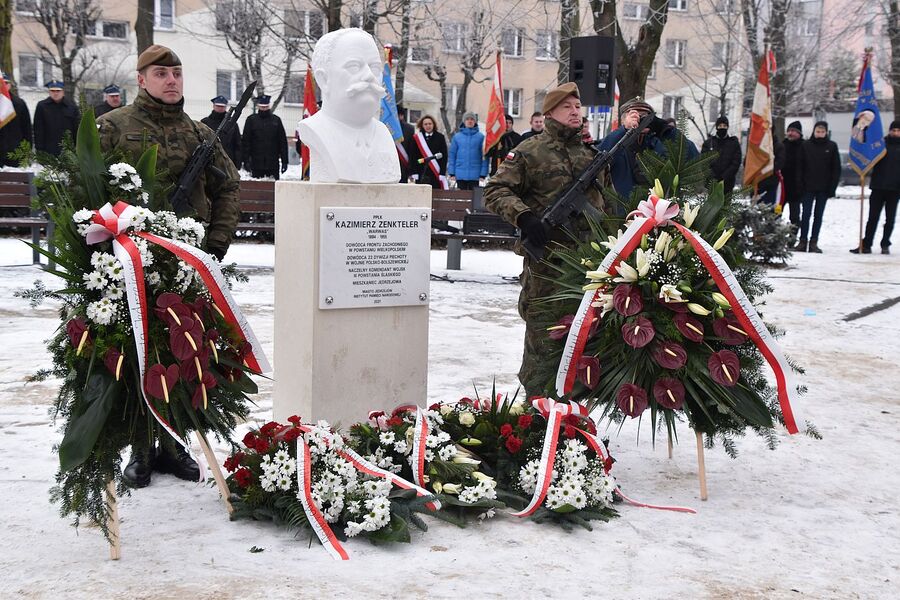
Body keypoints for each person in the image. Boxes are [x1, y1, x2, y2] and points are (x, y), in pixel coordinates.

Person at [97, 45, 241, 487]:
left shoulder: (201, 135)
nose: (172, 80)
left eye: (176, 73)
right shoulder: (111, 127)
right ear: (141, 79)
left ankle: (175, 445)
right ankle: (140, 450)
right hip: (128, 263)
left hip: (186, 265)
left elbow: (228, 190)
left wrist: (213, 249)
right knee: (138, 354)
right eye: (161, 73)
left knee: (185, 352)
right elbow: (85, 189)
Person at [484, 82, 607, 396]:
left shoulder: (590, 154)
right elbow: (495, 190)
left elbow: (608, 205)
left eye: (578, 107)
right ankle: (538, 409)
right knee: (543, 333)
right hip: (547, 263)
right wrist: (525, 217)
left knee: (583, 336)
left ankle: (575, 415)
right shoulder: (529, 150)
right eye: (567, 107)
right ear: (550, 112)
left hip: (587, 264)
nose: (575, 112)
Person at [296, 28, 399, 183]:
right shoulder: (315, 129)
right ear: (324, 79)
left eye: (375, 67)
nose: (369, 76)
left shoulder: (384, 134)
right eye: (354, 67)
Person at [596, 97, 667, 207]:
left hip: (652, 213)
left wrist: (665, 129)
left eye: (644, 117)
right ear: (623, 120)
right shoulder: (613, 142)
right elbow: (598, 160)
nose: (640, 121)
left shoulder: (657, 145)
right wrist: (625, 131)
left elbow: (688, 157)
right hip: (619, 213)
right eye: (635, 116)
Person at [850, 120, 900, 254]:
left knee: (890, 219)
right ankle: (866, 244)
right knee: (872, 218)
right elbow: (869, 156)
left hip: (895, 189)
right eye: (893, 130)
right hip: (878, 186)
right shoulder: (880, 144)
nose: (895, 133)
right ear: (889, 131)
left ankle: (885, 244)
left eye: (898, 131)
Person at [795, 121, 841, 253]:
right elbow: (800, 167)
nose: (820, 134)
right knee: (805, 215)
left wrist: (832, 188)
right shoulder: (806, 145)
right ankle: (803, 241)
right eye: (817, 131)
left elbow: (835, 169)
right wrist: (800, 184)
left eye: (822, 132)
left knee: (818, 216)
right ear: (813, 132)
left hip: (824, 188)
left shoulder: (832, 146)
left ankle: (814, 241)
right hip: (807, 187)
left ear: (826, 132)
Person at [241, 94, 289, 179]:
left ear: (269, 106)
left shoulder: (276, 120)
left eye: (266, 107)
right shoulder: (251, 120)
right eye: (262, 107)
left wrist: (285, 161)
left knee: (272, 189)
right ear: (258, 106)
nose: (264, 109)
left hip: (273, 163)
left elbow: (282, 142)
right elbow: (246, 142)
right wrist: (246, 160)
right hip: (256, 163)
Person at [33, 80, 79, 156]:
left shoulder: (72, 107)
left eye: (58, 91)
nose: (55, 93)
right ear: (49, 92)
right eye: (52, 91)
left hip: (68, 150)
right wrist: (39, 149)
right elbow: (38, 129)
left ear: (63, 92)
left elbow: (76, 129)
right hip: (48, 149)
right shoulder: (42, 106)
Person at [701, 116, 742, 195]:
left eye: (724, 126)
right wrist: (712, 176)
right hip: (711, 182)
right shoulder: (709, 143)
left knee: (726, 205)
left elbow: (736, 162)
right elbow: (704, 161)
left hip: (728, 183)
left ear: (727, 127)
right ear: (716, 127)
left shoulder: (733, 143)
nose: (722, 128)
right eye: (720, 126)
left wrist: (725, 176)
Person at [447, 112, 488, 190]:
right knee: (461, 199)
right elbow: (452, 155)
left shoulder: (481, 137)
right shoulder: (457, 137)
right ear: (464, 121)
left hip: (476, 175)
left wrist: (483, 174)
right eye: (467, 119)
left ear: (475, 121)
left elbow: (484, 156)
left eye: (472, 119)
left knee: (475, 199)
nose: (470, 121)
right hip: (460, 175)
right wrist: (452, 172)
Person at [201, 95, 241, 168]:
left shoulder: (232, 123)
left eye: (222, 106)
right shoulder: (205, 122)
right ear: (213, 106)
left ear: (226, 107)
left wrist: (237, 163)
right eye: (218, 106)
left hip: (228, 161)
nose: (220, 108)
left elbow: (237, 144)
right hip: (209, 161)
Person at [0, 74, 32, 167]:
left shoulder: (19, 104)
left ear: (10, 85)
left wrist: (26, 152)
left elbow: (27, 130)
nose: (2, 85)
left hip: (15, 152)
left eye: (5, 83)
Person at [409, 114, 447, 189]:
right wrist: (414, 172)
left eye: (430, 124)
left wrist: (442, 173)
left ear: (433, 125)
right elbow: (412, 156)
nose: (428, 126)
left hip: (435, 172)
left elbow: (444, 156)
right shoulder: (417, 138)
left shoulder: (440, 137)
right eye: (425, 124)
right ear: (422, 125)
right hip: (421, 172)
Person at [781, 121, 805, 235]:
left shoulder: (805, 146)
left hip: (797, 188)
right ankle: (774, 239)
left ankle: (792, 239)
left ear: (799, 133)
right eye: (789, 131)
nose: (791, 133)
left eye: (794, 131)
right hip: (781, 187)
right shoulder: (782, 145)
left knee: (795, 216)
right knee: (776, 214)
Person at [397, 105, 417, 183]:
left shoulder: (409, 129)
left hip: (403, 164)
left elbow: (411, 149)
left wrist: (411, 169)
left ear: (401, 116)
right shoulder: (385, 127)